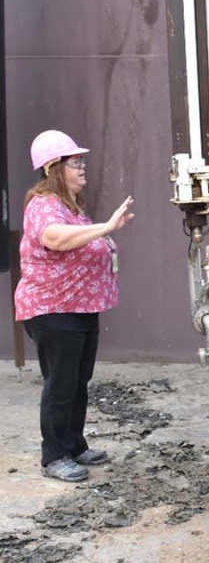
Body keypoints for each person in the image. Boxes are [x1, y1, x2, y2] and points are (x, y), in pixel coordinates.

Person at [14, 130, 134, 483]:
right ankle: (54, 456)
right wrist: (106, 227)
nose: (83, 168)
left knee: (78, 380)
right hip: (53, 310)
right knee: (61, 383)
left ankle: (74, 444)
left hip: (79, 309)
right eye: (75, 162)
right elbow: (54, 238)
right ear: (54, 168)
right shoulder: (43, 205)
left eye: (82, 161)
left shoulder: (71, 207)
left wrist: (104, 231)